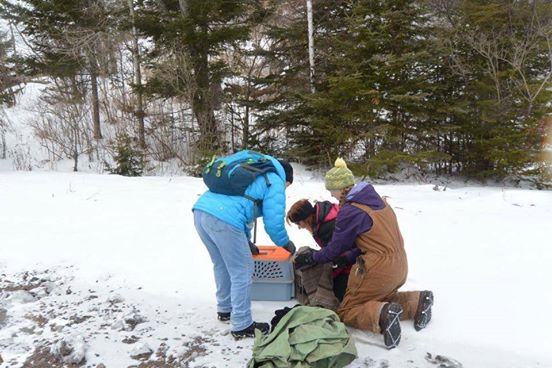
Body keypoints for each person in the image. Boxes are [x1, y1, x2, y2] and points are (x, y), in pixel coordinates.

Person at [294, 158, 433, 349]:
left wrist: (311, 257)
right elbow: (370, 241)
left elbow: (333, 249)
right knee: (376, 298)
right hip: (400, 263)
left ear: (341, 187)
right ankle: (417, 301)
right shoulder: (377, 202)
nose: (332, 195)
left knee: (346, 310)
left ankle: (382, 316)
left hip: (378, 267)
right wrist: (347, 258)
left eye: (331, 190)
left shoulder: (350, 210)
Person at [192, 150, 296, 339]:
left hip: (201, 212)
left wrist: (246, 242)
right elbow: (274, 222)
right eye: (288, 185)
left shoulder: (255, 172)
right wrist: (285, 243)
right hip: (224, 218)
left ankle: (225, 309)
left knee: (221, 264)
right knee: (242, 270)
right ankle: (241, 324)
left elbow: (243, 211)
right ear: (287, 179)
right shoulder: (275, 180)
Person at [286, 199, 360, 301]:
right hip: (348, 258)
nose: (299, 227)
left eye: (298, 223)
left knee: (337, 296)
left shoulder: (327, 227)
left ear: (305, 218)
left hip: (353, 262)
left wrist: (311, 258)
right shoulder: (322, 219)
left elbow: (334, 252)